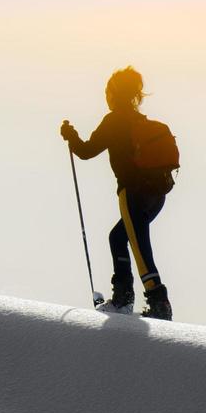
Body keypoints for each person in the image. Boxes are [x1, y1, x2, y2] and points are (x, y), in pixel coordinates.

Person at [60, 66, 173, 320]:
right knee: (118, 237)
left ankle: (153, 303)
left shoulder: (114, 120)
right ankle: (129, 298)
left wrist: (71, 135)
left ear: (114, 94)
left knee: (140, 248)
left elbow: (87, 151)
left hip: (132, 193)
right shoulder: (138, 121)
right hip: (156, 194)